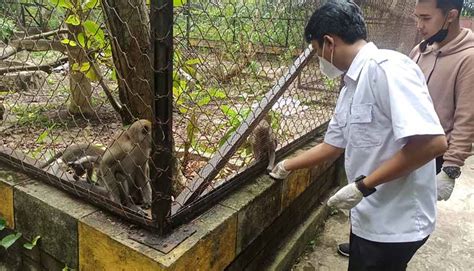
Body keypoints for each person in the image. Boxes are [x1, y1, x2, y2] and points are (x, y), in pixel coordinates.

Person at [270, 1, 448, 270]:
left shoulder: (389, 69)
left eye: (317, 51)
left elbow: (431, 144)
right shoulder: (351, 86)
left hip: (395, 221)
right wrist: (286, 166)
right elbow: (333, 145)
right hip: (369, 215)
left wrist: (362, 186)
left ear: (329, 42)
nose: (319, 60)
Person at [337, 0, 474, 258]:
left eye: (426, 18)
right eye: (416, 17)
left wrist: (452, 168)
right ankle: (364, 243)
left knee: (399, 204)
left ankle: (380, 249)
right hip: (402, 139)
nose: (419, 25)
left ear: (451, 15)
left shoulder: (468, 58)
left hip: (431, 149)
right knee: (378, 191)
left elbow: (466, 117)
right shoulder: (420, 51)